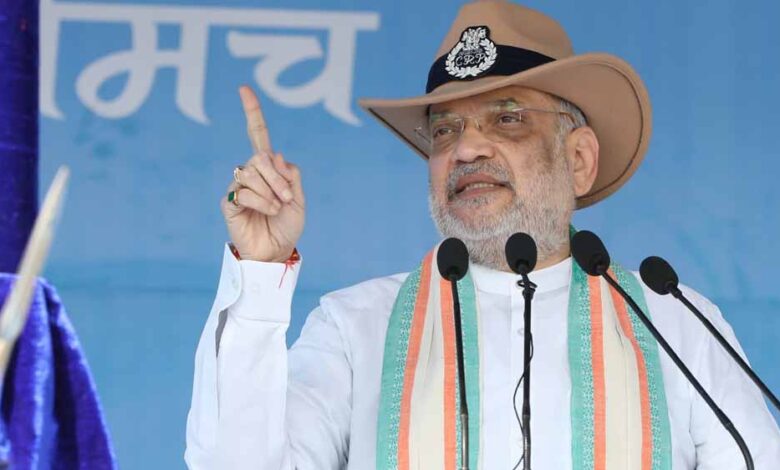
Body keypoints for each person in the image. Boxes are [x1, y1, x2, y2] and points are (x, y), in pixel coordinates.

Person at [185, 1, 780, 469]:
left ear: (577, 160)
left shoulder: (674, 325)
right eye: (445, 130)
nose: (466, 148)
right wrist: (259, 272)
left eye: (508, 118)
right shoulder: (356, 326)